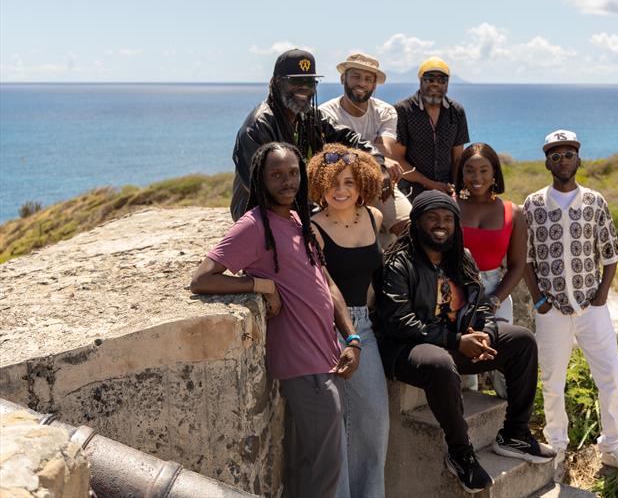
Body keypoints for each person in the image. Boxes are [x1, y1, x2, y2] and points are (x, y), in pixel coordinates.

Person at [190, 142, 361, 498]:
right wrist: (261, 284)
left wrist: (352, 338)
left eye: (293, 173)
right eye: (277, 175)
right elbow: (202, 278)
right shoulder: (253, 226)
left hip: (328, 355)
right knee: (326, 471)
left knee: (307, 467)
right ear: (261, 179)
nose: (287, 182)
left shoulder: (298, 219)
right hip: (304, 365)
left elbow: (328, 285)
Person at [373, 190, 555, 494]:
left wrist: (482, 329)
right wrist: (456, 341)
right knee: (440, 363)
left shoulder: (462, 257)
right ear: (417, 222)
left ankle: (515, 434)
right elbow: (398, 321)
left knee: (522, 340)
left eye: (447, 218)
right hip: (408, 348)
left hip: (456, 339)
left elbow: (480, 302)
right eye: (432, 217)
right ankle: (460, 453)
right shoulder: (397, 262)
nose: (440, 224)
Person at [522, 129, 618, 481]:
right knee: (551, 380)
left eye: (569, 153)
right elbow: (526, 258)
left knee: (610, 375)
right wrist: (539, 300)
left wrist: (602, 296)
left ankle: (612, 448)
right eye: (555, 155)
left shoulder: (594, 201)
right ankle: (557, 448)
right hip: (551, 311)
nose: (563, 160)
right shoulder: (532, 204)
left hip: (591, 308)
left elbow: (611, 253)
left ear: (579, 158)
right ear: (547, 162)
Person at [230, 48, 401, 221]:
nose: (304, 87)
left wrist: (379, 164)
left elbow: (349, 138)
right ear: (276, 82)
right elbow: (260, 187)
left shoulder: (309, 116)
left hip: (301, 201)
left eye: (310, 81)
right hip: (259, 210)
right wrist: (317, 212)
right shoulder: (259, 126)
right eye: (296, 81)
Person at [307, 144, 389, 498]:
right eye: (332, 183)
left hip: (365, 327)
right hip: (327, 329)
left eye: (349, 183)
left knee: (375, 421)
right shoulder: (312, 227)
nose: (340, 191)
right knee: (336, 428)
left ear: (363, 185)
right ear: (319, 184)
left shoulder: (374, 217)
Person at [455, 143, 527, 398]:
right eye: (470, 171)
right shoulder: (450, 207)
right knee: (464, 366)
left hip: (497, 291)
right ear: (461, 174)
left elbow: (518, 265)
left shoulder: (513, 212)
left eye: (484, 170)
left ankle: (510, 430)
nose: (477, 178)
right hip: (457, 292)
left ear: (495, 173)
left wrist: (495, 299)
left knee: (503, 362)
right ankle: (466, 431)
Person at [318, 52, 411, 241]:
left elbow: (386, 148)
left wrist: (381, 161)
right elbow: (336, 157)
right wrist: (380, 161)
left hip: (378, 181)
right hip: (341, 184)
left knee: (410, 227)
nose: (362, 83)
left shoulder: (384, 111)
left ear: (374, 85)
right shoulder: (326, 113)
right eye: (356, 76)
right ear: (343, 78)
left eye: (368, 79)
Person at [390, 57, 470, 201]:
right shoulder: (403, 110)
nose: (435, 84)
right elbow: (398, 159)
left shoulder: (456, 111)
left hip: (447, 188)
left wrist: (459, 189)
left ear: (447, 84)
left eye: (441, 80)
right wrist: (431, 185)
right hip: (411, 188)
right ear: (420, 80)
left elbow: (458, 158)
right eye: (430, 79)